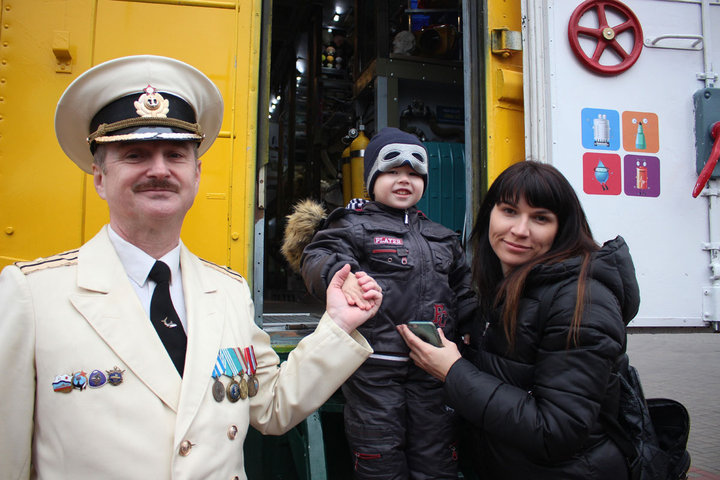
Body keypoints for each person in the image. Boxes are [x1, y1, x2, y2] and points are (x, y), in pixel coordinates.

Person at [0, 55, 383, 479]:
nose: (159, 169)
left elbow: (271, 407)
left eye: (175, 155)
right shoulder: (32, 296)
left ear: (197, 174)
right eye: (134, 154)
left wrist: (336, 326)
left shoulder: (228, 291)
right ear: (99, 177)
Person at [398, 160, 641, 480]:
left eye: (540, 218)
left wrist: (453, 372)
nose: (520, 230)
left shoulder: (582, 303)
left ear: (562, 228)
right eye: (509, 211)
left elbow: (556, 431)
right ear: (489, 216)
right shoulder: (508, 284)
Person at [296, 127, 477, 479]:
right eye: (392, 171)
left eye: (413, 174)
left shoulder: (443, 236)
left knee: (437, 455)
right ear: (371, 179)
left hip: (431, 369)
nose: (403, 180)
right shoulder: (352, 225)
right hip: (373, 369)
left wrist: (470, 326)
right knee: (379, 457)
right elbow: (316, 255)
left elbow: (463, 289)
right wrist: (339, 275)